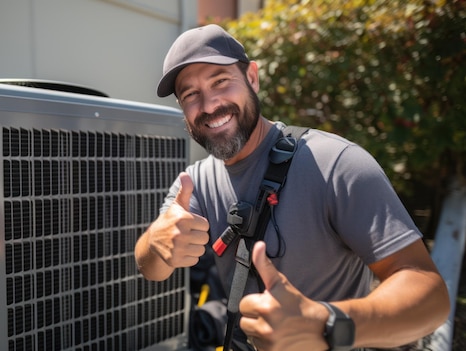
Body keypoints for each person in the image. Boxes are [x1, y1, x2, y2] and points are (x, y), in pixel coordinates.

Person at [134, 24, 450, 351]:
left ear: (252, 78)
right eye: (190, 94)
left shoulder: (335, 164)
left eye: (221, 82)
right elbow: (150, 267)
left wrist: (324, 324)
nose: (210, 105)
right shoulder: (195, 183)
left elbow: (431, 296)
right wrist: (156, 244)